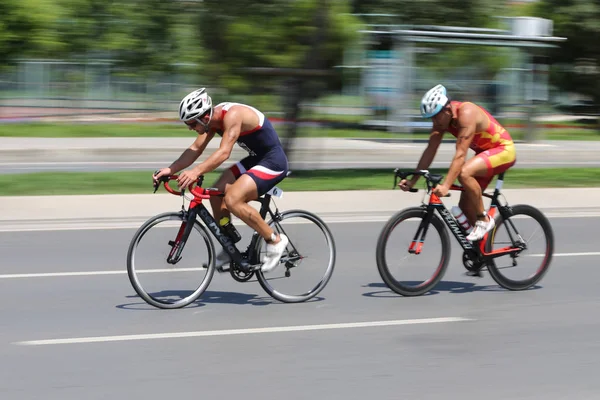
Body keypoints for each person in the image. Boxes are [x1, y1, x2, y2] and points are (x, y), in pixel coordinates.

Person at [153, 88, 289, 272]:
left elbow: (224, 152)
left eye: (192, 123)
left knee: (233, 199)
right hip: (256, 159)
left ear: (204, 117)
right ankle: (229, 245)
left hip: (273, 161)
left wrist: (195, 172)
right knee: (216, 193)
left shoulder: (232, 115)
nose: (191, 128)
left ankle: (275, 240)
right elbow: (195, 149)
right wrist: (170, 169)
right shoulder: (212, 122)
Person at [399, 84, 517, 242]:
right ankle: (481, 252)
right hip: (484, 154)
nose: (434, 121)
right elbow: (430, 150)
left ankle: (484, 220)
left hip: (503, 150)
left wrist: (447, 185)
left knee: (464, 172)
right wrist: (414, 180)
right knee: (466, 208)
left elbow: (461, 154)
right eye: (431, 118)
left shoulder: (466, 113)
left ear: (447, 109)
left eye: (436, 116)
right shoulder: (442, 120)